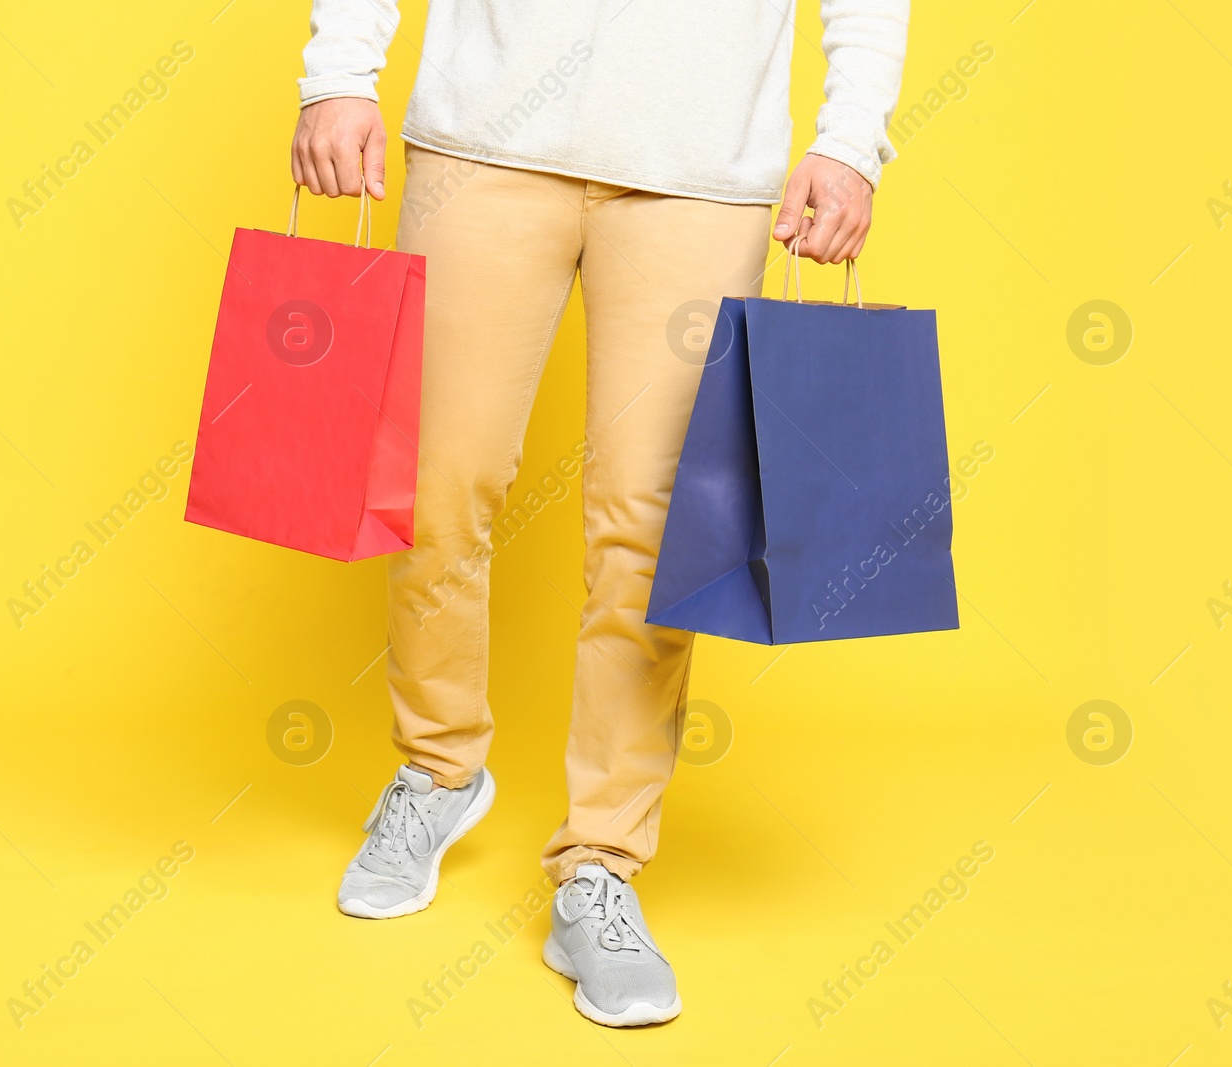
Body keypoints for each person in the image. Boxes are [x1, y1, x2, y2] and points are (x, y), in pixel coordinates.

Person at [292, 0, 907, 1027]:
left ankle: (600, 861)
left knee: (652, 528)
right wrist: (339, 71)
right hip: (479, 143)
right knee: (437, 482)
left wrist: (851, 141)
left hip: (700, 170)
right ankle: (437, 767)